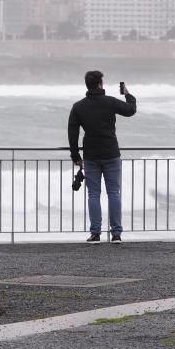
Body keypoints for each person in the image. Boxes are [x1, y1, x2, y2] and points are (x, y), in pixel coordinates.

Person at [68, 70, 137, 243]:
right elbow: (130, 110)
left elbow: (72, 133)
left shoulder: (78, 107)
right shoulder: (110, 102)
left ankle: (95, 233)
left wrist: (75, 155)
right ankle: (116, 234)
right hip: (111, 153)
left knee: (93, 194)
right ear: (100, 84)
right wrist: (128, 94)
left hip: (91, 155)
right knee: (113, 193)